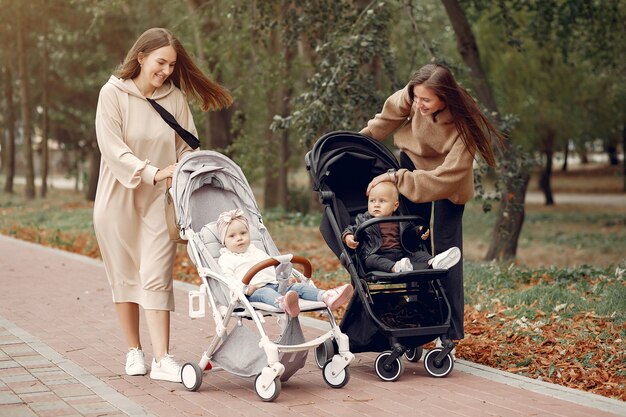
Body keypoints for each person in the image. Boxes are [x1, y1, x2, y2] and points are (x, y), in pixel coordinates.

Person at [93, 28, 233, 382]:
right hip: (117, 200)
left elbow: (186, 146)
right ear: (140, 57)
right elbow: (112, 149)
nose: (166, 71)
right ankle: (134, 351)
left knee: (156, 276)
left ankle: (162, 358)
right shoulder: (112, 94)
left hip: (160, 202)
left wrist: (195, 169)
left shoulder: (174, 98)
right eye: (161, 63)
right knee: (124, 277)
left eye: (171, 65)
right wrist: (152, 171)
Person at [360, 63, 503, 342]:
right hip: (413, 166)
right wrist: (357, 142)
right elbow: (385, 120)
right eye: (416, 97)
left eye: (426, 100)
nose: (419, 104)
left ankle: (449, 330)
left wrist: (397, 178)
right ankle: (418, 317)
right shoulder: (414, 96)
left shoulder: (464, 126)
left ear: (444, 98)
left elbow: (444, 178)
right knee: (413, 243)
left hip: (448, 183)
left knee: (448, 252)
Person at [216, 209, 354, 317]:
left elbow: (271, 267)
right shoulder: (227, 259)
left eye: (243, 233)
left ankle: (327, 296)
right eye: (232, 236)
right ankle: (284, 303)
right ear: (224, 241)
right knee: (266, 293)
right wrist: (246, 289)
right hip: (254, 291)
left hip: (276, 285)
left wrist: (284, 279)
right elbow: (229, 281)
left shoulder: (256, 251)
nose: (239, 238)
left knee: (298, 288)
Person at [342, 181, 461, 273]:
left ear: (395, 206)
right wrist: (348, 236)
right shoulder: (364, 219)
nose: (376, 204)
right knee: (370, 260)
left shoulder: (402, 219)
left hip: (403, 254)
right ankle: (395, 268)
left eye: (382, 201)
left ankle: (434, 262)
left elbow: (409, 234)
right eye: (372, 201)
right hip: (378, 254)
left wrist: (419, 232)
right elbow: (351, 229)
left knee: (419, 254)